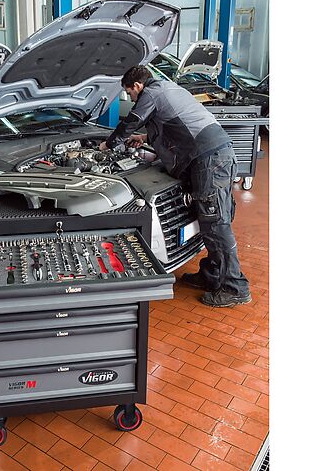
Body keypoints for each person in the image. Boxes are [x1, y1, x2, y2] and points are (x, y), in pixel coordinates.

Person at [100, 65, 250, 307]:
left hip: (209, 160)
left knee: (216, 222)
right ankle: (212, 274)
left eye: (130, 93)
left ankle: (235, 287)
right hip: (213, 156)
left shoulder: (151, 93)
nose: (132, 98)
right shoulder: (168, 87)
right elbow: (178, 124)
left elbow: (132, 121)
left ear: (137, 86)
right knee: (208, 220)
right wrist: (145, 138)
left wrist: (108, 145)